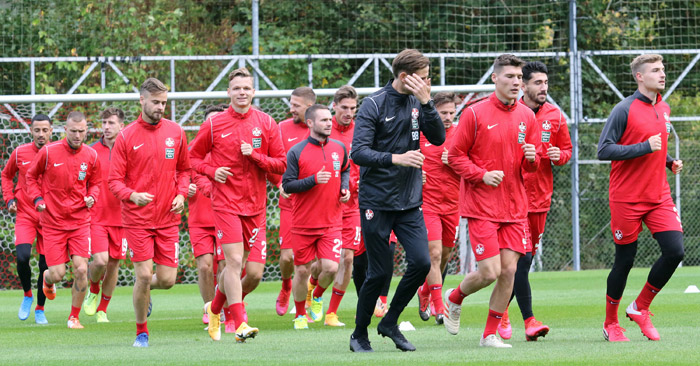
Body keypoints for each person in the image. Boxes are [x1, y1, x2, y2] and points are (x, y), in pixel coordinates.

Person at [350, 48, 445, 353]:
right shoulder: (374, 104)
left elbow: (439, 138)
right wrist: (396, 158)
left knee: (421, 262)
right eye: (424, 78)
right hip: (376, 202)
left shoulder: (421, 102)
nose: (428, 83)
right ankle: (359, 334)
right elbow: (358, 152)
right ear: (405, 77)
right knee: (380, 273)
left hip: (410, 201)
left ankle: (389, 322)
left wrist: (428, 102)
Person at [444, 54, 540, 348]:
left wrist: (533, 160)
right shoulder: (474, 113)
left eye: (520, 77)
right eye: (510, 76)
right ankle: (454, 296)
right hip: (482, 207)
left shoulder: (528, 116)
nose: (516, 82)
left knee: (510, 270)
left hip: (514, 207)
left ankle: (489, 335)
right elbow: (455, 157)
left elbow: (529, 168)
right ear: (495, 79)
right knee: (490, 271)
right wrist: (481, 175)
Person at [189, 67, 286, 343]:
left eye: (246, 88)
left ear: (253, 92)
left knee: (252, 272)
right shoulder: (213, 124)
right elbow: (192, 158)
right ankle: (241, 323)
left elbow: (281, 163)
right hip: (225, 203)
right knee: (232, 262)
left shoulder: (267, 123)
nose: (242, 93)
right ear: (229, 92)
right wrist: (211, 171)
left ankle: (216, 308)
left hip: (255, 207)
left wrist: (256, 157)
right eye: (237, 88)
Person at [597, 54, 684, 342]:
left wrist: (668, 161)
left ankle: (640, 307)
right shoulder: (623, 109)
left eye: (663, 69)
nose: (662, 74)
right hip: (627, 198)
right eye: (655, 70)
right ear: (639, 76)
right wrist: (644, 147)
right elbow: (604, 151)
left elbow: (655, 147)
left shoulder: (664, 107)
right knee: (625, 260)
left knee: (675, 251)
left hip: (659, 195)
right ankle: (611, 323)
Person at [108, 78, 191, 347]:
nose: (160, 107)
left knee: (166, 280)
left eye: (164, 103)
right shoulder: (126, 136)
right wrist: (132, 195)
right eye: (155, 102)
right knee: (143, 275)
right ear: (141, 101)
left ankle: (145, 292)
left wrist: (180, 193)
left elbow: (185, 170)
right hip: (137, 220)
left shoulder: (176, 132)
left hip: (168, 218)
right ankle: (141, 332)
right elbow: (114, 181)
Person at [497, 61, 572, 341]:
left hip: (540, 200)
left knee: (521, 263)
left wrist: (558, 156)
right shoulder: (512, 112)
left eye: (546, 83)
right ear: (524, 85)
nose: (544, 88)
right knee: (521, 260)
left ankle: (504, 312)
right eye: (538, 83)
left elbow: (566, 151)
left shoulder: (555, 115)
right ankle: (521, 319)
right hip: (512, 198)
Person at [25, 111, 102, 330]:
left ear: (86, 131)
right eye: (74, 131)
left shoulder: (91, 156)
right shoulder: (48, 152)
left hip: (80, 221)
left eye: (82, 131)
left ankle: (74, 317)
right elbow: (31, 177)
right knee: (57, 273)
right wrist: (37, 198)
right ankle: (48, 280)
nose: (78, 135)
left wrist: (92, 196)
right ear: (65, 130)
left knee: (80, 268)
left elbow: (96, 182)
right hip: (53, 223)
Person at [282, 104, 350, 329]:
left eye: (330, 120)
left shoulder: (339, 148)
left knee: (331, 267)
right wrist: (313, 180)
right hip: (303, 224)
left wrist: (344, 188)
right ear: (310, 123)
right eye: (323, 120)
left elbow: (345, 169)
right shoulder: (296, 151)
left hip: (331, 222)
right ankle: (300, 315)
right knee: (301, 270)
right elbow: (288, 184)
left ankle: (317, 294)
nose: (329, 123)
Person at [2, 114, 53, 324]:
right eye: (37, 130)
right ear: (30, 131)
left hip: (50, 218)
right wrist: (9, 199)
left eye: (45, 130)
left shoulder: (58, 153)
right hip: (25, 214)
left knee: (45, 266)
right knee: (22, 257)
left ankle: (40, 308)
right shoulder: (20, 153)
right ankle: (27, 295)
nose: (41, 134)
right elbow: (6, 175)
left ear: (51, 131)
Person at [416, 92, 461, 325]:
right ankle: (438, 305)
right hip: (427, 203)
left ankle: (424, 291)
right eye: (443, 112)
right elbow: (406, 159)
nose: (448, 117)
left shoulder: (460, 135)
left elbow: (471, 166)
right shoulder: (421, 134)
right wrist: (415, 175)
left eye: (452, 112)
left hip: (453, 204)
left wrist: (453, 162)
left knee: (444, 256)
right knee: (432, 254)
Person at [271, 87, 315, 316]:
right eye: (291, 104)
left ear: (309, 107)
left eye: (296, 105)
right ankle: (286, 285)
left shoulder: (319, 128)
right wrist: (279, 182)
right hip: (290, 204)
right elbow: (274, 161)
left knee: (312, 262)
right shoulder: (281, 128)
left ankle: (306, 299)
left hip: (316, 205)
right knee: (288, 256)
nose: (291, 109)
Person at [82, 108, 126, 323]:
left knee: (114, 265)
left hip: (123, 217)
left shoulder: (129, 150)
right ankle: (93, 288)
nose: (106, 127)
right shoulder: (91, 151)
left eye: (111, 123)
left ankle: (103, 309)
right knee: (100, 261)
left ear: (121, 126)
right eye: (104, 122)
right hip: (97, 215)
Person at [187, 104, 226, 327]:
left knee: (225, 268)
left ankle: (223, 307)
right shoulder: (192, 148)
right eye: (209, 121)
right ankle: (209, 308)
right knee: (204, 266)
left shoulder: (230, 148)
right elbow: (177, 175)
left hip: (225, 217)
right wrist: (184, 189)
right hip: (199, 220)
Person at [324, 85, 359, 327]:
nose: (348, 112)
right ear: (334, 106)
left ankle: (331, 313)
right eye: (344, 107)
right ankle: (313, 291)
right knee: (323, 264)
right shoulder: (323, 130)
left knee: (348, 259)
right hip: (325, 205)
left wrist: (353, 186)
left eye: (353, 108)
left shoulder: (362, 132)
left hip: (354, 204)